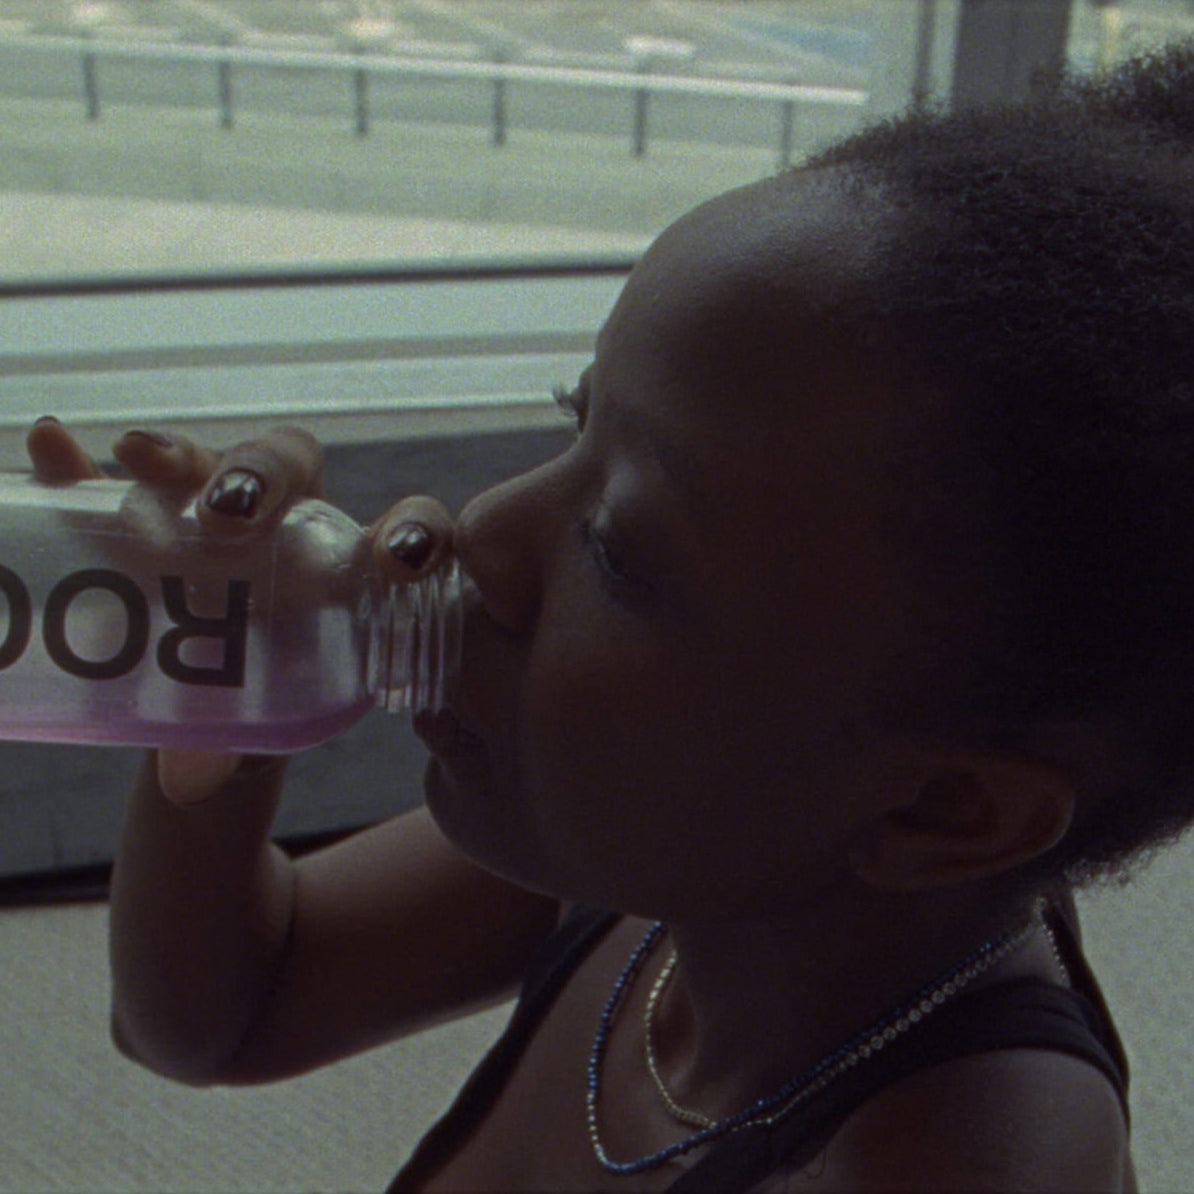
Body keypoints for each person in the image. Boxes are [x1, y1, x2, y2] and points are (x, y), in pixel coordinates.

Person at [32, 43, 1194, 1192]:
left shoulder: (964, 1163)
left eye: (621, 547)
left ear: (944, 805)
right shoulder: (675, 852)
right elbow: (220, 1015)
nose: (480, 528)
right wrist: (212, 690)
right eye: (574, 424)